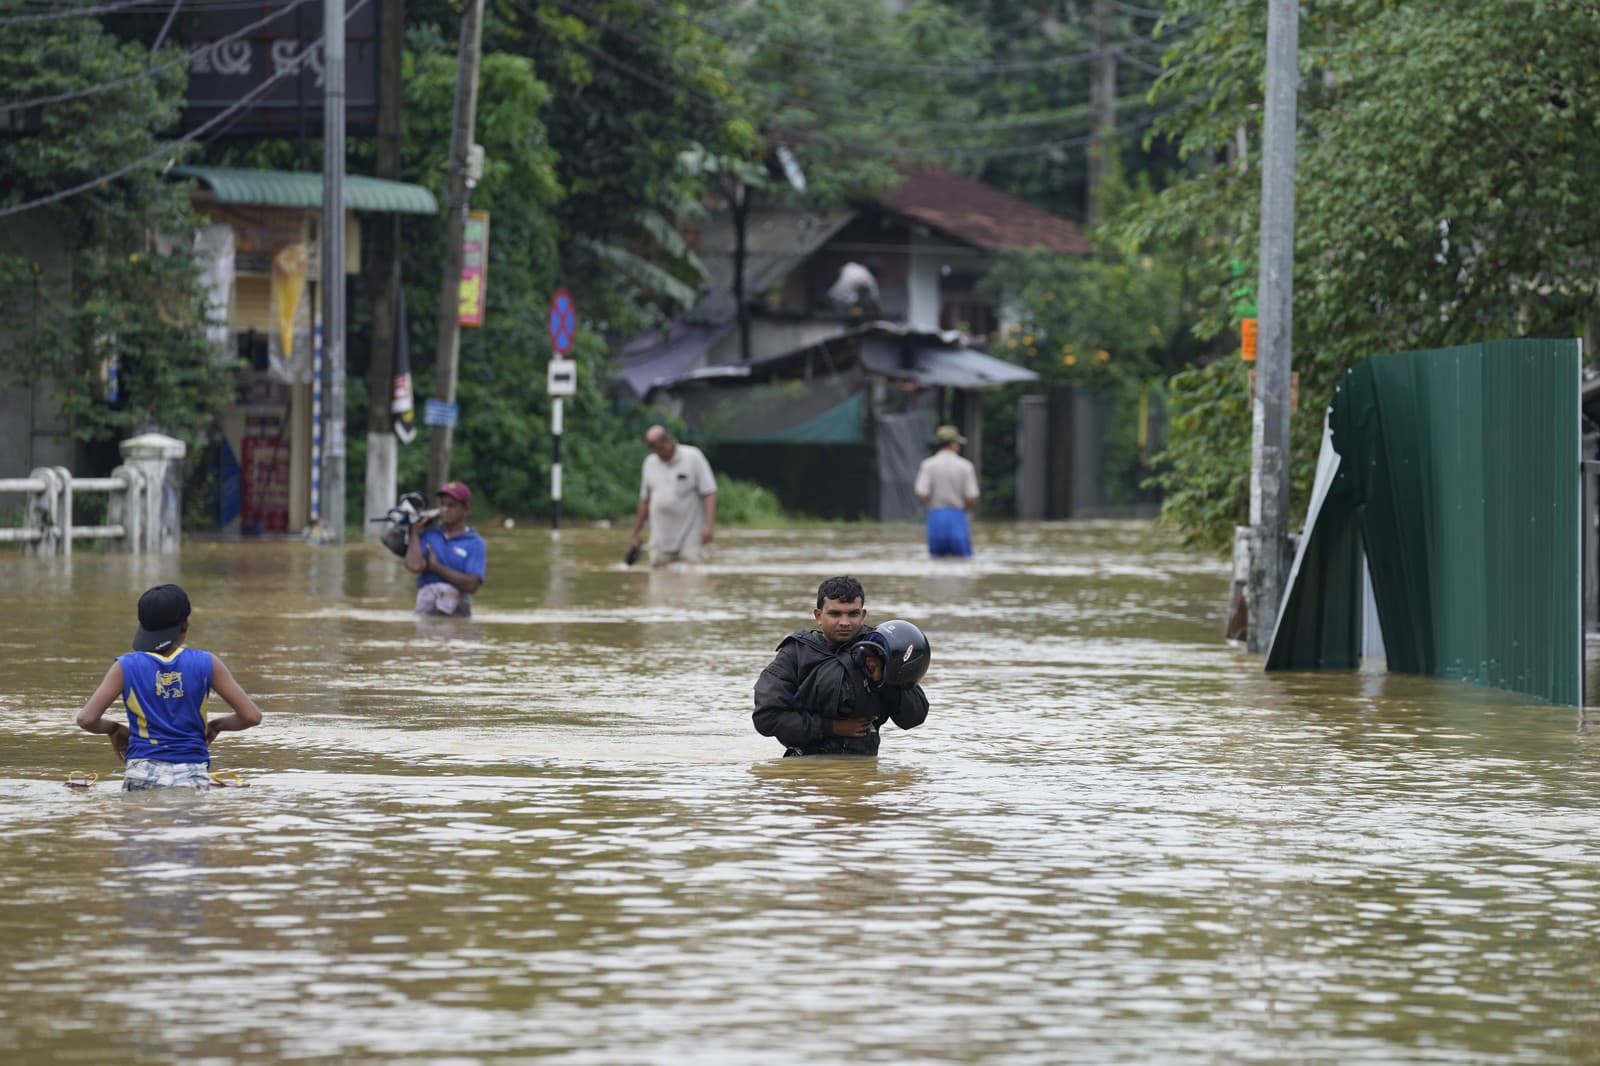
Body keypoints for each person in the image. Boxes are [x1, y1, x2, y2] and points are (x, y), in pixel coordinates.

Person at [74, 583, 263, 791]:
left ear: (141, 624)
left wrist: (114, 729)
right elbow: (251, 716)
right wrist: (217, 725)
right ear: (186, 624)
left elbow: (86, 719)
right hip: (192, 774)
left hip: (142, 772)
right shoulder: (208, 663)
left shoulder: (125, 666)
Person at [753, 575, 929, 757]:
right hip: (806, 766)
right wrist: (832, 727)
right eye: (835, 614)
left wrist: (885, 680)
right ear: (818, 616)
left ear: (863, 615)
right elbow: (766, 717)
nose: (844, 622)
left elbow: (914, 718)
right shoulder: (795, 653)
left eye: (853, 614)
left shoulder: (884, 649)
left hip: (865, 767)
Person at [627, 425, 717, 567]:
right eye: (655, 450)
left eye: (661, 449)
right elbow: (645, 501)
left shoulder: (693, 457)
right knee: (658, 582)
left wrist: (709, 525)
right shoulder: (649, 463)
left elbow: (709, 492)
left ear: (669, 441)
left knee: (693, 581)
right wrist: (635, 534)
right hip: (661, 538)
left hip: (690, 536)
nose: (660, 454)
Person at [406, 480, 487, 617]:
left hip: (458, 618)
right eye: (442, 504)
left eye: (451, 505)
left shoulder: (475, 543)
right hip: (427, 614)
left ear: (466, 509)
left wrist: (436, 567)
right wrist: (413, 530)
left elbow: (472, 585)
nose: (445, 510)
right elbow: (414, 566)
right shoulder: (429, 536)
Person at [914, 424, 980, 558]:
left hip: (936, 517)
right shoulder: (965, 466)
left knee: (936, 564)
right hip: (957, 517)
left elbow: (922, 492)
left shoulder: (928, 465)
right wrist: (962, 507)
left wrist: (934, 500)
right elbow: (972, 497)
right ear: (953, 444)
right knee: (962, 564)